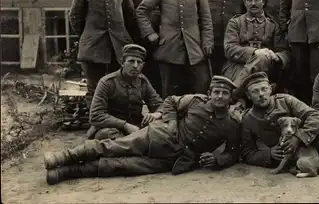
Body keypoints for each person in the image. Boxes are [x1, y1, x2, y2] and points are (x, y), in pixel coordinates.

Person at [43, 76, 241, 185]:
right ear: (210, 93)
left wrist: (217, 160)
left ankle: (66, 173)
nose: (220, 97)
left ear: (230, 97)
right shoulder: (196, 101)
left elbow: (232, 153)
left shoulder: (232, 124)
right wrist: (171, 122)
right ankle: (62, 158)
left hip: (176, 159)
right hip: (159, 135)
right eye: (217, 92)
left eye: (225, 93)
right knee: (113, 146)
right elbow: (170, 101)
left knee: (120, 166)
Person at [137, 0, 213, 98]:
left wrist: (207, 41)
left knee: (201, 85)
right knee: (169, 89)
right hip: (168, 47)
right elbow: (141, 11)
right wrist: (150, 33)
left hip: (194, 47)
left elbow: (206, 19)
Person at [69, 0, 136, 107]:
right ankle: (97, 123)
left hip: (118, 49)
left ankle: (116, 122)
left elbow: (130, 18)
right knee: (94, 89)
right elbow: (75, 18)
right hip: (93, 48)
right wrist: (88, 35)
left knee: (117, 87)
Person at [222, 0, 290, 101]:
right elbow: (229, 49)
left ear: (263, 1)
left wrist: (277, 56)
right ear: (244, 2)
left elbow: (285, 52)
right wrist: (255, 53)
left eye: (257, 0)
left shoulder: (273, 26)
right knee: (261, 58)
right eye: (249, 0)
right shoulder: (235, 23)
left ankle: (233, 94)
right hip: (238, 66)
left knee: (264, 59)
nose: (253, 3)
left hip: (266, 67)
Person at [87, 44, 164, 140]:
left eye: (139, 62)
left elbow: (160, 105)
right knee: (107, 135)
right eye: (131, 61)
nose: (135, 66)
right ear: (122, 63)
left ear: (143, 65)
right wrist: (124, 125)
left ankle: (133, 143)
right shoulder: (107, 82)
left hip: (136, 127)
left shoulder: (143, 81)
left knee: (164, 129)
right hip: (112, 129)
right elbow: (96, 115)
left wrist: (157, 113)